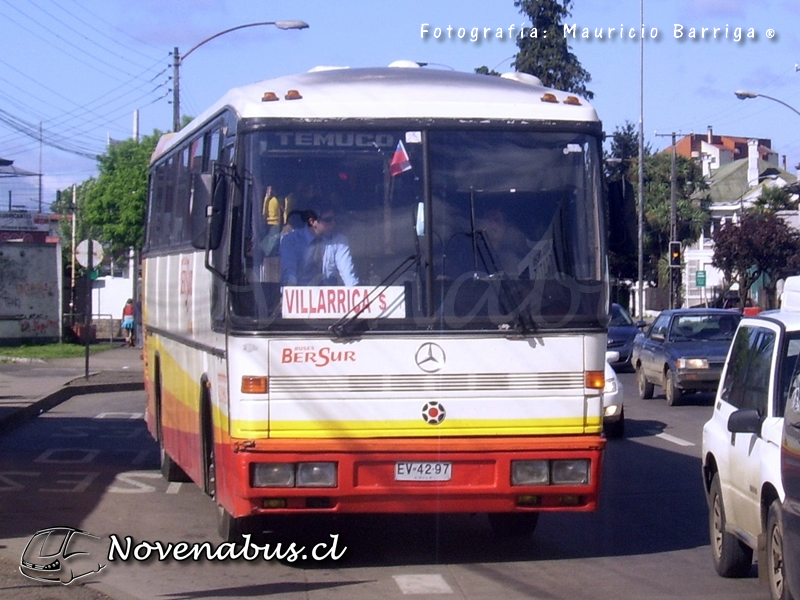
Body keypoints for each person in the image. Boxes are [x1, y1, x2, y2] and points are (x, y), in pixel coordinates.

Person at [280, 203, 359, 286]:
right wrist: (290, 295)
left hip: (330, 296)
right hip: (301, 295)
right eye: (328, 220)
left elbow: (348, 275)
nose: (333, 224)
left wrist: (356, 293)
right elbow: (289, 275)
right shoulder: (291, 240)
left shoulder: (340, 241)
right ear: (312, 222)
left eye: (334, 219)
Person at [259, 185, 284, 257]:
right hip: (272, 223)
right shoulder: (269, 199)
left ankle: (270, 253)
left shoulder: (277, 199)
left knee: (273, 239)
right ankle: (270, 254)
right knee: (273, 240)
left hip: (276, 223)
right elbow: (264, 212)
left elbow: (282, 211)